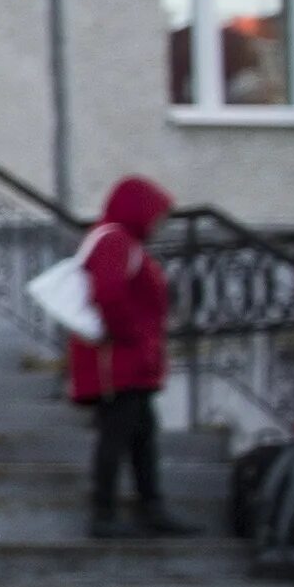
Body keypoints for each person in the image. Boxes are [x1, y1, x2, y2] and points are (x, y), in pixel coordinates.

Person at [68, 175, 195, 540]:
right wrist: (133, 338)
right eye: (155, 215)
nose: (158, 225)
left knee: (141, 434)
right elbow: (109, 294)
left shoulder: (121, 241)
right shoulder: (116, 241)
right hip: (120, 362)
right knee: (118, 433)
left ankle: (149, 505)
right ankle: (106, 511)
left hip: (129, 361)